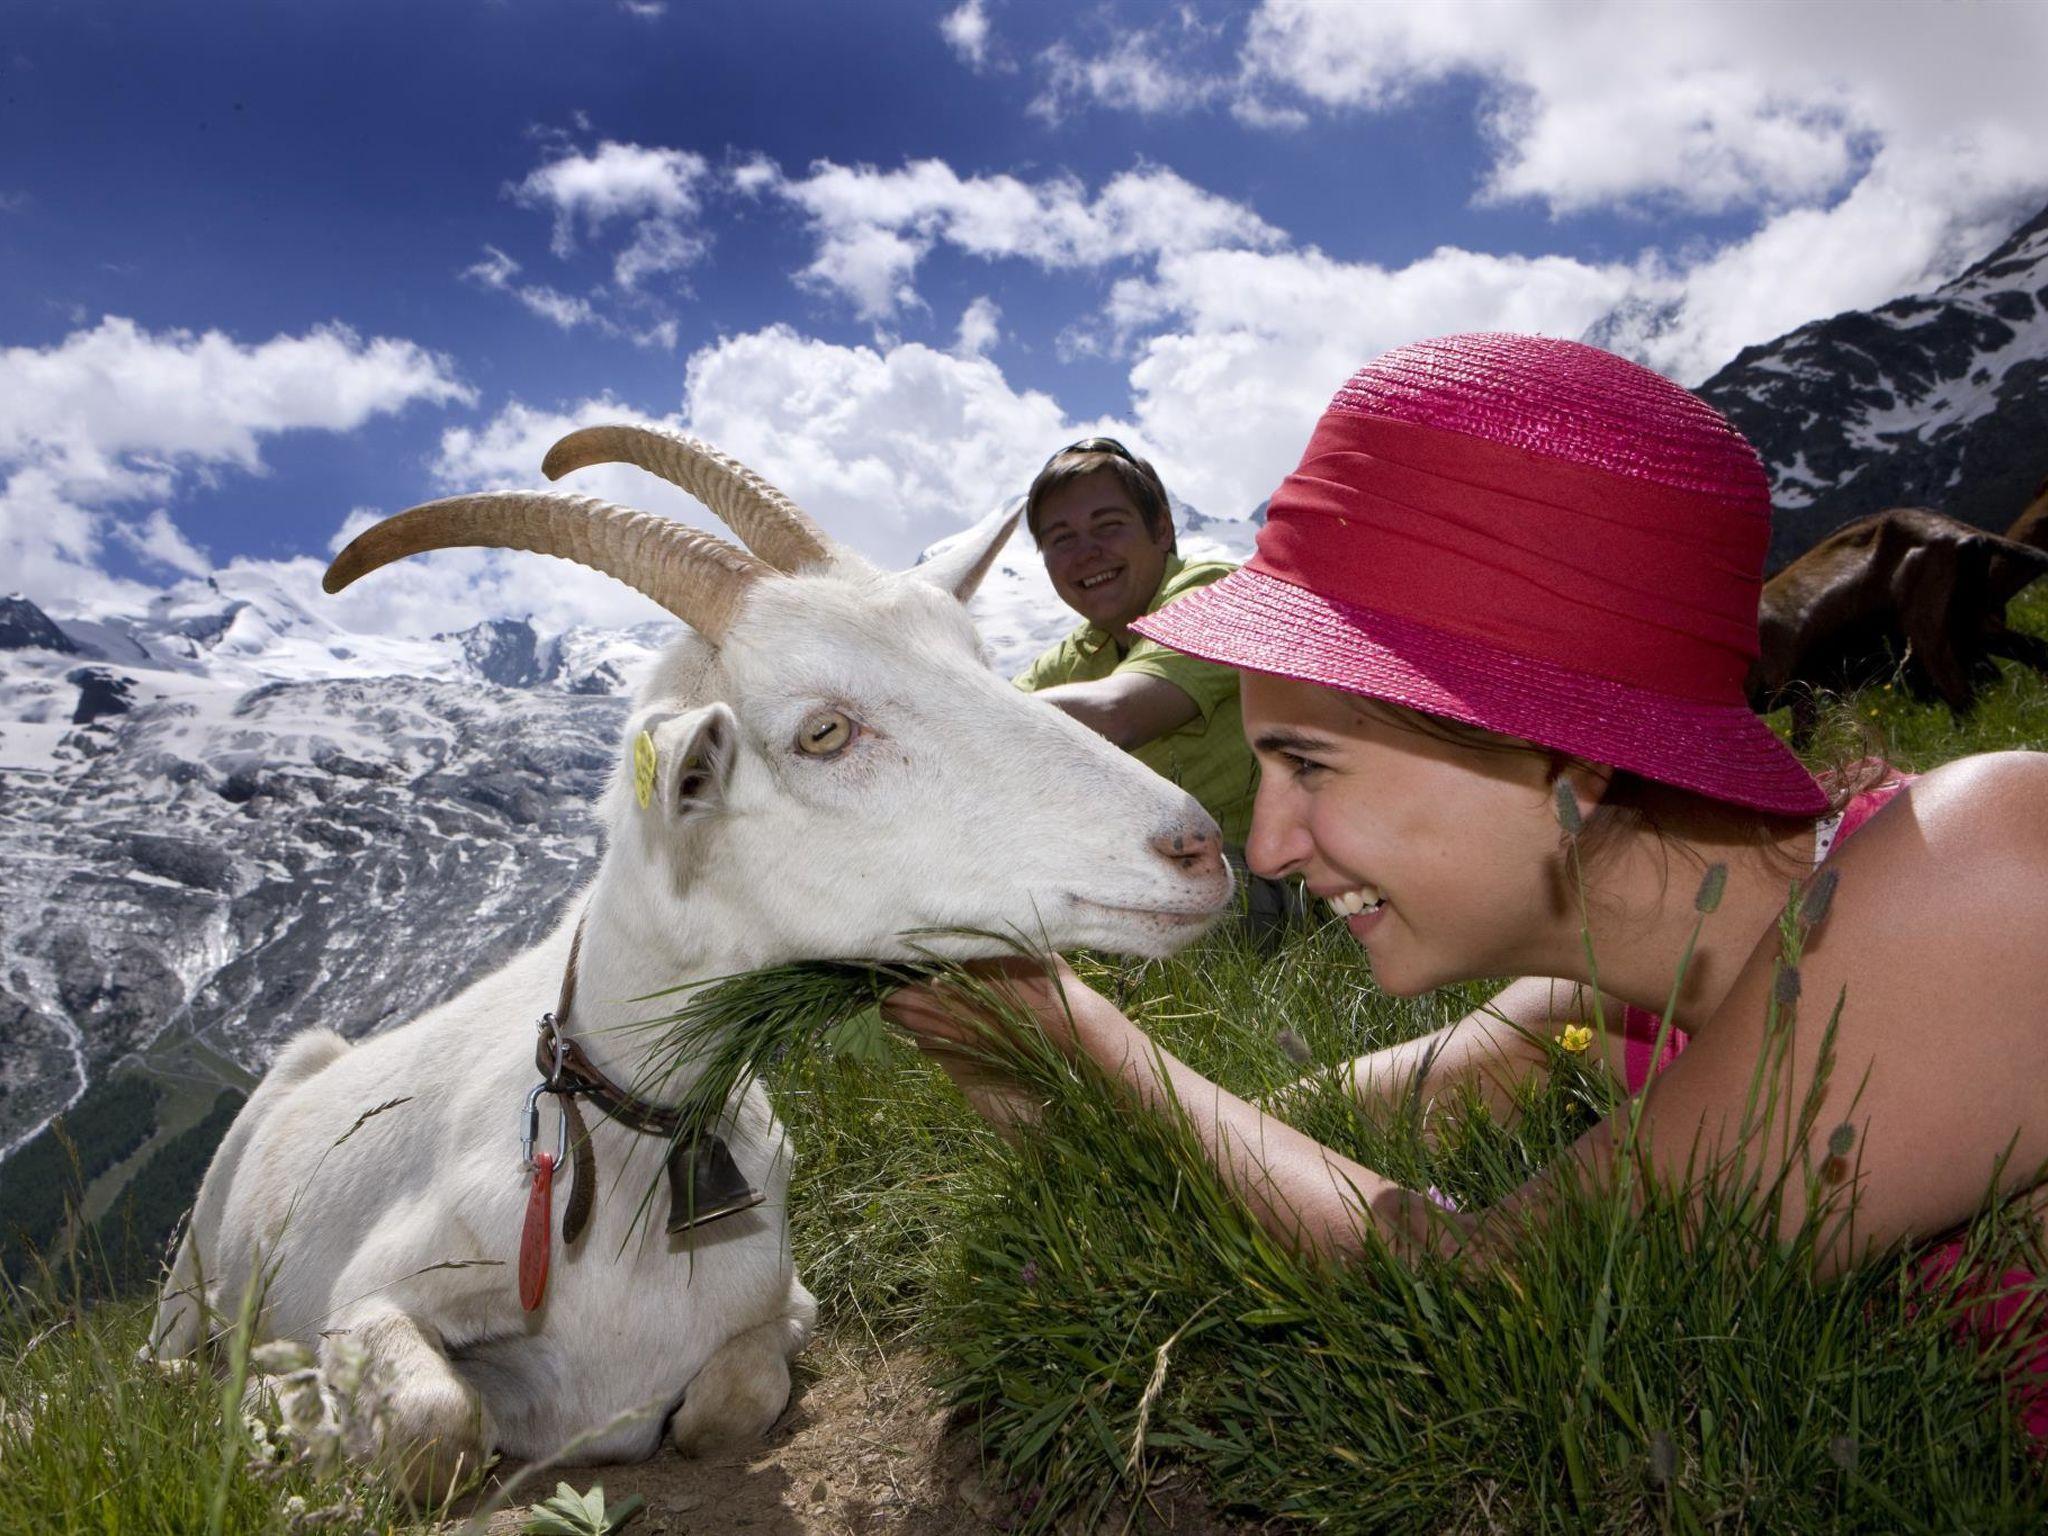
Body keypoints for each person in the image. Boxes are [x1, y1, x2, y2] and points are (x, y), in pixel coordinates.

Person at [887, 335, 2048, 1408]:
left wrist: (1088, 1037)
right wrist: (1013, 1051)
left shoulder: (1980, 863)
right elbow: (1245, 1148)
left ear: (1567, 761)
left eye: (1308, 763)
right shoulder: (1595, 997)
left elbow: (1502, 1296)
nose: (1269, 846)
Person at [1012, 437, 1260, 855]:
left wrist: (965, 715)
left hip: (1267, 880)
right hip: (1161, 871)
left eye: (1108, 525)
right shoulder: (1082, 651)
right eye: (1061, 538)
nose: (1087, 552)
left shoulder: (1216, 592)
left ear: (1161, 530)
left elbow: (1118, 712)